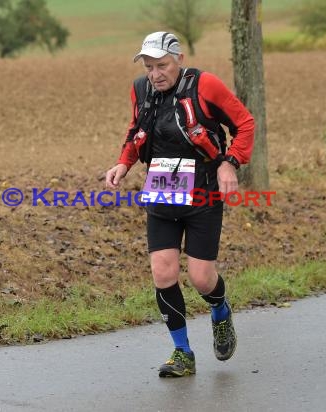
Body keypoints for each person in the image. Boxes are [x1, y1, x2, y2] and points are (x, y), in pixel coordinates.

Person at [105, 31, 255, 377]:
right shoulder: (141, 89)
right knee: (163, 272)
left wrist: (230, 162)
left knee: (202, 278)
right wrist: (124, 163)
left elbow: (245, 124)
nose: (155, 74)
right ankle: (182, 352)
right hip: (162, 190)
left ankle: (219, 312)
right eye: (149, 67)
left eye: (162, 66)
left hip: (202, 191)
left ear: (180, 61)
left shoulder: (206, 85)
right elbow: (136, 131)